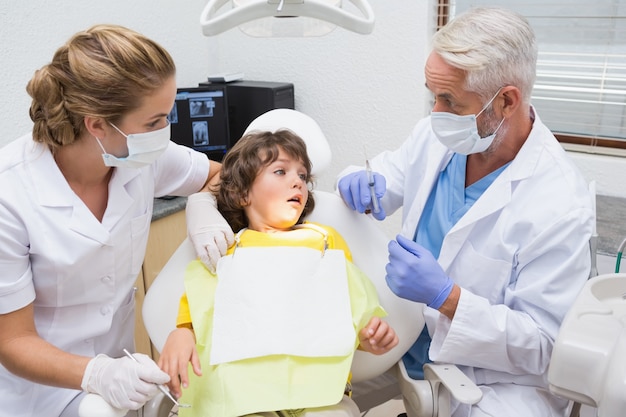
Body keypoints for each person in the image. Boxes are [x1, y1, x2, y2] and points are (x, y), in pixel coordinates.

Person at [335, 6, 594, 417]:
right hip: (407, 356)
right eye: (432, 94)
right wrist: (359, 181)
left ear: (506, 101)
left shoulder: (560, 204)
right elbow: (385, 177)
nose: (435, 112)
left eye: (449, 100)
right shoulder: (441, 135)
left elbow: (546, 346)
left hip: (492, 391)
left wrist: (448, 298)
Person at [0, 24, 228, 417]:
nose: (165, 132)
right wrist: (97, 374)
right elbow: (13, 340)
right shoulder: (11, 195)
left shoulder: (141, 157)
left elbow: (220, 176)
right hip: (37, 392)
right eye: (154, 122)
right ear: (97, 124)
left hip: (123, 381)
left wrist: (203, 210)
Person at [158, 128, 399, 417]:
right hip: (244, 396)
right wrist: (182, 333)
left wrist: (368, 336)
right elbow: (202, 307)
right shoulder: (228, 247)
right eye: (281, 172)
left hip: (319, 394)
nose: (297, 182)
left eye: (302, 176)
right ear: (242, 192)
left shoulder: (323, 241)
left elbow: (349, 305)